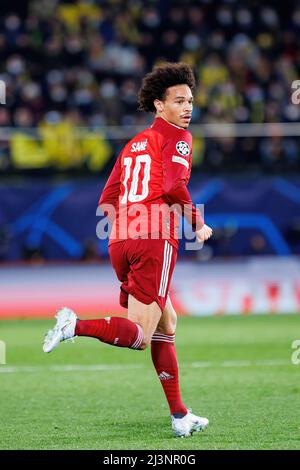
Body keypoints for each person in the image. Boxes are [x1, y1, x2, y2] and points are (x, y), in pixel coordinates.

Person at [43, 62, 213, 438]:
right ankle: (75, 325)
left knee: (167, 324)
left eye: (190, 101)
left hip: (120, 238)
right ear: (158, 105)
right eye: (179, 101)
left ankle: (180, 415)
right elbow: (171, 186)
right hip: (154, 237)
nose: (188, 108)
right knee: (141, 335)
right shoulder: (179, 139)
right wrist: (196, 222)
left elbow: (107, 198)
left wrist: (126, 230)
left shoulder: (134, 143)